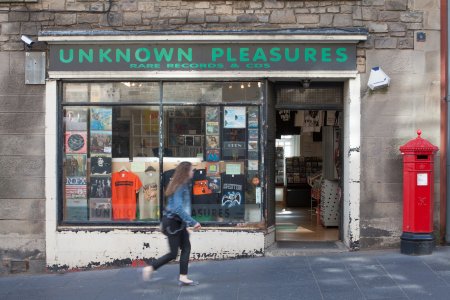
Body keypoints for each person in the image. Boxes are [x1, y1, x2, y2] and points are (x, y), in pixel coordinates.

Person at [142, 161, 202, 286]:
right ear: (186, 171)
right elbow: (178, 209)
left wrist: (186, 224)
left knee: (186, 247)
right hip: (173, 223)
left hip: (178, 222)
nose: (193, 172)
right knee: (173, 254)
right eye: (191, 170)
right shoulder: (180, 186)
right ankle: (150, 268)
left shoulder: (182, 184)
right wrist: (193, 222)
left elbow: (180, 209)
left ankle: (183, 277)